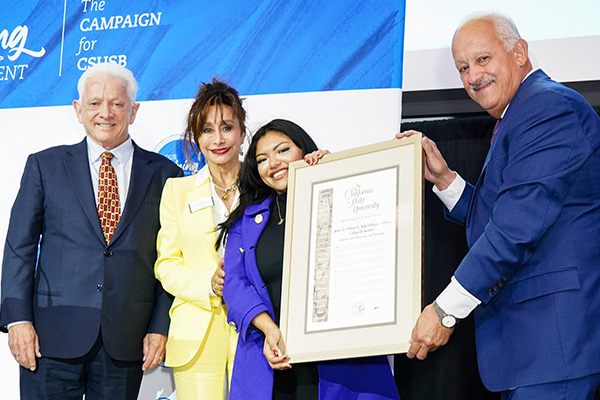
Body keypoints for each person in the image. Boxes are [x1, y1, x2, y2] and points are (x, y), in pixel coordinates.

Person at [398, 12, 600, 399]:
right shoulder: (521, 113)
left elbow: (513, 230)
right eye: (462, 67)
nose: (473, 76)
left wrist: (443, 310)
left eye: (483, 59)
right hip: (532, 349)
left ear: (520, 52)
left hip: (552, 345)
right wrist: (445, 180)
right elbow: (507, 215)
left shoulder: (546, 110)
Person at [0, 62, 182, 399]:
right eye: (95, 103)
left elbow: (172, 258)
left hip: (126, 341)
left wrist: (161, 326)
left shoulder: (166, 175)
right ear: (78, 109)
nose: (106, 113)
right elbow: (19, 249)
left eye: (117, 103)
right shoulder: (45, 166)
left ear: (134, 110)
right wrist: (17, 320)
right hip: (49, 339)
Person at [221, 119, 401, 399]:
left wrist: (337, 174)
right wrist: (269, 329)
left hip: (340, 361)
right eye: (262, 158)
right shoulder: (245, 221)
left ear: (303, 149)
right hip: (272, 359)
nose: (273, 163)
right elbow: (234, 283)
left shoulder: (337, 195)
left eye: (282, 150)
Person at [154, 79, 243, 399]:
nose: (218, 139)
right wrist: (209, 284)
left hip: (255, 332)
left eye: (227, 127)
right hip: (196, 334)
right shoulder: (177, 192)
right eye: (207, 130)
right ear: (196, 138)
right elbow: (166, 265)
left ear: (242, 133)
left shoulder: (262, 188)